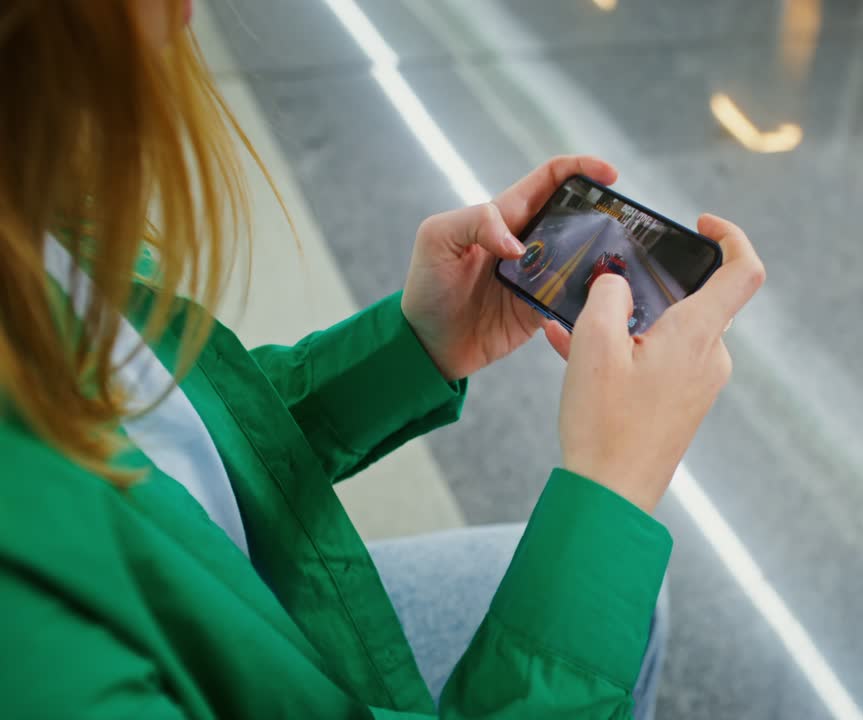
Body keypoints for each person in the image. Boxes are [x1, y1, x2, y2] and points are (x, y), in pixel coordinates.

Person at [0, 2, 764, 719]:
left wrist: (414, 347)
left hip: (228, 598)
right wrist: (611, 484)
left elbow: (164, 438)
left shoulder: (31, 215)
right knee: (614, 610)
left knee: (638, 605)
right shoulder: (38, 652)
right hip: (230, 646)